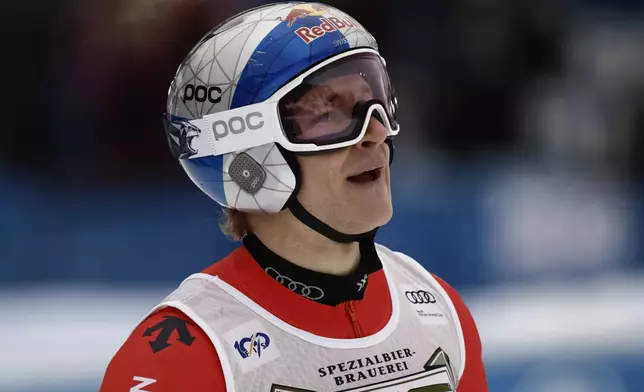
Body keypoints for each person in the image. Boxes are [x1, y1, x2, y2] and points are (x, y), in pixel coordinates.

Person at [100, 2, 488, 391]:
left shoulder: (439, 310)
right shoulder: (183, 359)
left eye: (376, 103)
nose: (375, 134)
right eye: (328, 115)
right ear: (252, 158)